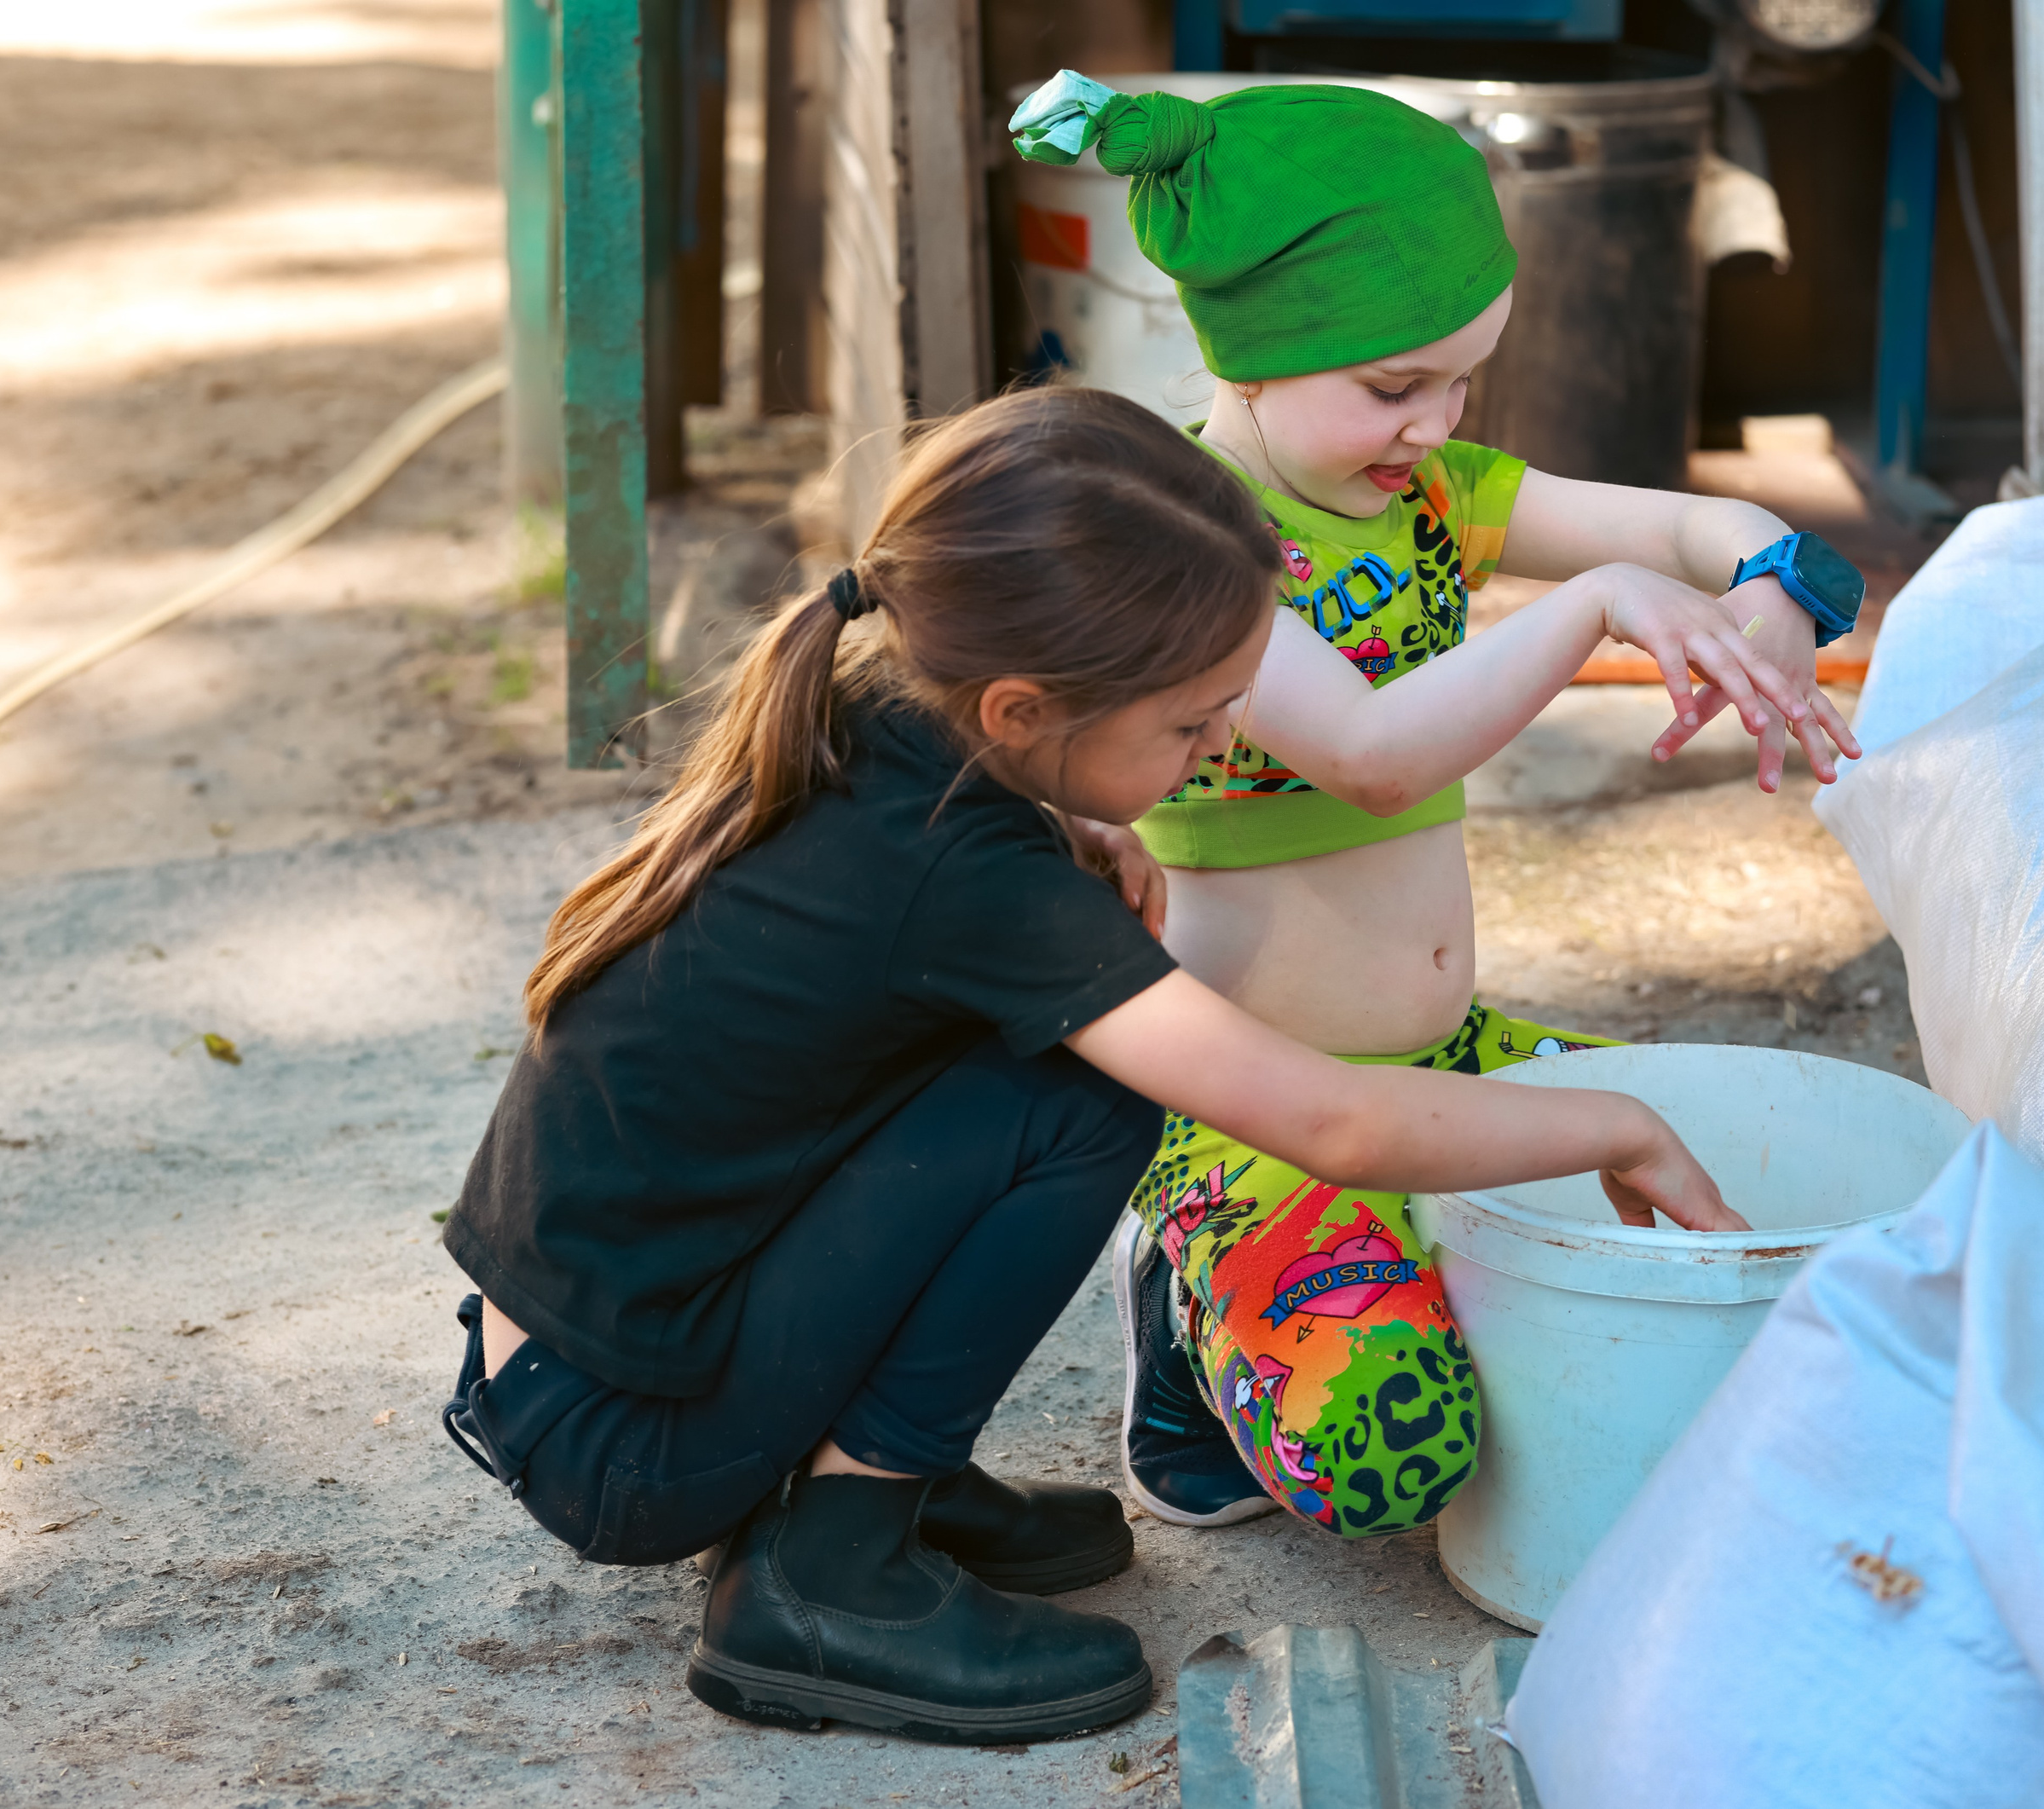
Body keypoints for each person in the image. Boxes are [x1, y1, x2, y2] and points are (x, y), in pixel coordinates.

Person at [436, 386, 1755, 1747]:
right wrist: (1618, 1126)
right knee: (1095, 1083)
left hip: (579, 1370)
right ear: (1019, 707)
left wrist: (1065, 818)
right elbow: (1335, 1121)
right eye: (1190, 726)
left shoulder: (891, 720)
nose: (1222, 750)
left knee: (1048, 1051)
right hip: (627, 1444)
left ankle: (873, 1472)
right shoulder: (966, 870)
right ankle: (828, 1568)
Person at [1009, 73, 1869, 1534]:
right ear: (1256, 356)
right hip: (1252, 1102)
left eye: (1464, 378)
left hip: (1443, 1051)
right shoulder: (1196, 541)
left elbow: (1679, 520)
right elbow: (1373, 753)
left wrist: (1779, 586)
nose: (1437, 420)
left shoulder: (1431, 494)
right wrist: (1593, 603)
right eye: (1395, 386)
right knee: (1391, 1454)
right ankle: (1182, 1296)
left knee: (1756, 1216)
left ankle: (1355, 1258)